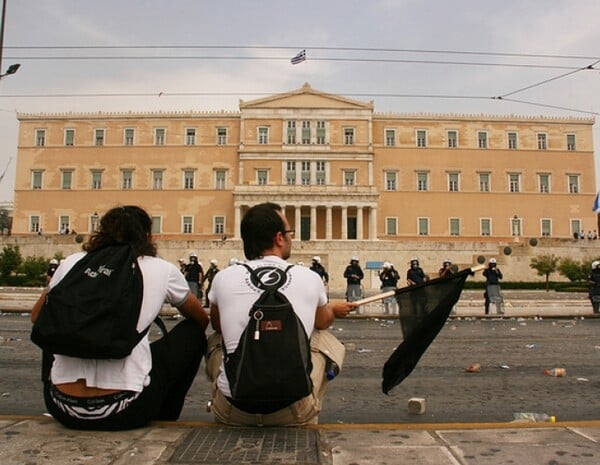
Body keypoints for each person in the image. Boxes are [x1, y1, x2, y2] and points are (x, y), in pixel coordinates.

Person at [30, 205, 209, 431]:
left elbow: (37, 317)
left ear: (101, 231)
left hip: (61, 407)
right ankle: (166, 415)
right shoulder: (160, 268)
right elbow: (200, 318)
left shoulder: (72, 263)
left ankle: (60, 382)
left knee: (53, 322)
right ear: (147, 235)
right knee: (192, 332)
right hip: (127, 411)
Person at [206, 202, 356, 426]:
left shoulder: (223, 277)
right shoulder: (309, 277)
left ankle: (223, 392)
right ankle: (308, 411)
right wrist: (333, 308)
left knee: (218, 339)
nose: (291, 238)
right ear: (279, 238)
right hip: (292, 413)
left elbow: (217, 325)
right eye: (289, 233)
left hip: (233, 412)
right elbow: (323, 322)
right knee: (320, 336)